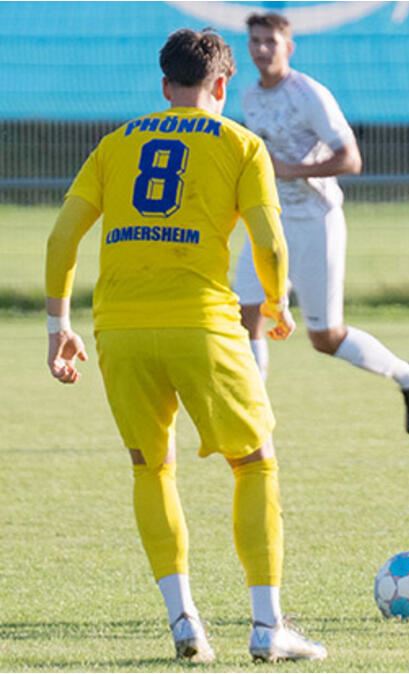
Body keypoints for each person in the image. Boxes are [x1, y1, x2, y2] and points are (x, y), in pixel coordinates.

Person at [44, 29, 328, 662]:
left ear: (165, 87)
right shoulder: (241, 143)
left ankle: (184, 624)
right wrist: (278, 303)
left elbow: (62, 238)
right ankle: (266, 627)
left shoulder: (117, 143)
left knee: (152, 467)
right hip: (202, 324)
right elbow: (271, 244)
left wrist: (57, 326)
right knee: (254, 462)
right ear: (222, 86)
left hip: (117, 326)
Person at [233, 12, 409, 434]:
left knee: (324, 337)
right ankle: (254, 418)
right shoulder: (249, 95)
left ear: (289, 47)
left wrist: (290, 170)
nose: (262, 48)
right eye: (255, 40)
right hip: (269, 222)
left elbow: (351, 159)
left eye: (271, 40)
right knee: (244, 314)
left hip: (315, 221)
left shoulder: (309, 94)